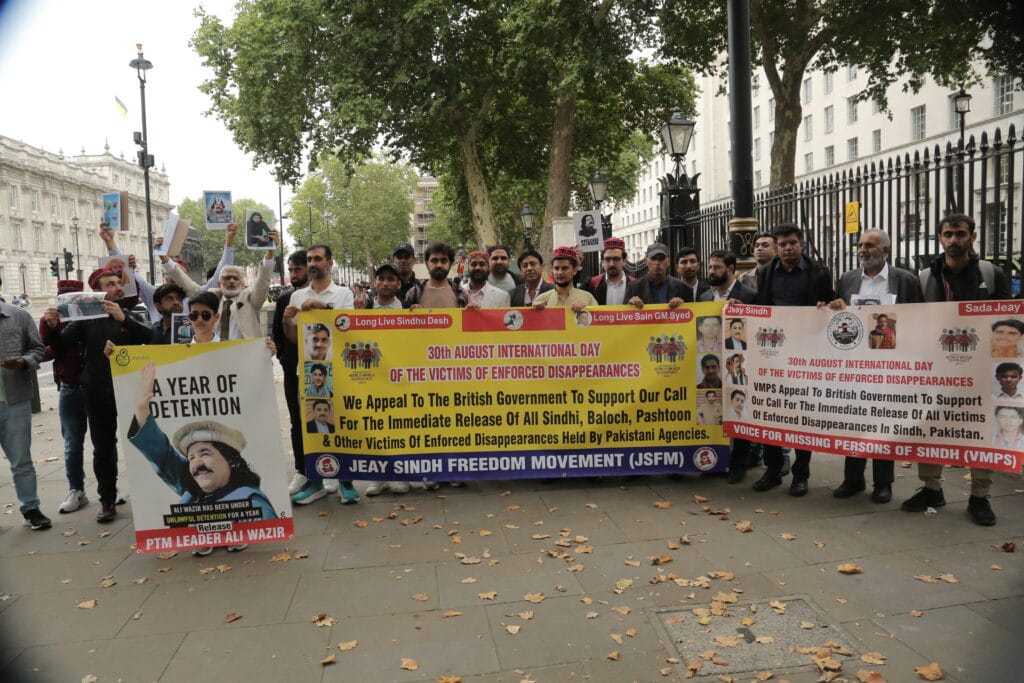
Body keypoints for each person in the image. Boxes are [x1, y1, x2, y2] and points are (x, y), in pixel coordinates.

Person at [904, 213, 1010, 526]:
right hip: (937, 370)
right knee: (931, 425)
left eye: (960, 234)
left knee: (980, 428)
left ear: (972, 237)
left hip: (980, 371)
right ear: (940, 238)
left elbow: (1006, 319)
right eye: (948, 234)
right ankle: (931, 488)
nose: (954, 240)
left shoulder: (991, 274)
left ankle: (980, 496)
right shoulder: (924, 277)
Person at [43, 268, 153, 523]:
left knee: (143, 442)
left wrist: (124, 320)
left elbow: (152, 338)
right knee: (103, 448)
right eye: (110, 284)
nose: (117, 287)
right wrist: (52, 329)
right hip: (98, 390)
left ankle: (151, 496)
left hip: (131, 390)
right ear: (98, 291)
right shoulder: (86, 319)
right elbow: (60, 346)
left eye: (118, 283)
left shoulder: (131, 313)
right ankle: (107, 500)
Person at [128, 365, 276, 524]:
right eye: (191, 457)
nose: (197, 463)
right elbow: (162, 455)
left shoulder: (253, 504)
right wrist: (142, 410)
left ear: (230, 459)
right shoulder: (192, 490)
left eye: (205, 453)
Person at [752, 223, 835, 497]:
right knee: (771, 413)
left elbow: (830, 307)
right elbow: (761, 307)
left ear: (802, 244)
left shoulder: (819, 273)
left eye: (793, 243)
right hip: (772, 356)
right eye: (783, 243)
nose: (788, 248)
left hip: (805, 357)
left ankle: (801, 474)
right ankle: (773, 470)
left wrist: (828, 307)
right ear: (777, 247)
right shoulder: (765, 273)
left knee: (803, 417)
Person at [283, 244, 357, 504]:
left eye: (317, 259)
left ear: (330, 263)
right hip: (310, 372)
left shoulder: (343, 293)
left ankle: (345, 481)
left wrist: (321, 308)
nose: (313, 263)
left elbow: (347, 328)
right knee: (314, 426)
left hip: (338, 372)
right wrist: (285, 319)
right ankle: (315, 482)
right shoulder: (297, 296)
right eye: (310, 259)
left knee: (341, 425)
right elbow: (293, 338)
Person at [106, 223, 236, 324]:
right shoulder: (153, 295)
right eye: (169, 274)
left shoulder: (199, 295)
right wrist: (109, 241)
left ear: (186, 277)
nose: (173, 277)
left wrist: (229, 241)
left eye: (177, 274)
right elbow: (129, 274)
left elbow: (223, 272)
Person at [166, 224, 276, 340]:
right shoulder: (211, 297)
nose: (231, 281)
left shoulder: (250, 298)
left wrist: (270, 253)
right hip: (215, 354)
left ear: (242, 283)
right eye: (227, 278)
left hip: (244, 355)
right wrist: (165, 259)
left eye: (236, 278)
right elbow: (187, 284)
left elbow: (263, 283)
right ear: (219, 284)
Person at [0, 295, 51, 530]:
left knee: (21, 460)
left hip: (14, 400)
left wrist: (22, 361)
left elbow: (38, 349)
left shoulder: (18, 316)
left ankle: (31, 508)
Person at [271, 250, 312, 504]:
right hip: (293, 369)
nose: (293, 274)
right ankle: (301, 470)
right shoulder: (284, 299)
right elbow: (277, 332)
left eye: (297, 269)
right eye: (290, 270)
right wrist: (286, 359)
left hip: (321, 369)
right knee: (297, 420)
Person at [406, 242, 469, 309]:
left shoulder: (462, 293)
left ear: (450, 264)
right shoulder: (414, 293)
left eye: (443, 261)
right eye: (434, 261)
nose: (439, 265)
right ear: (427, 264)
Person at [533, 247, 598, 311]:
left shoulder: (587, 298)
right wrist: (534, 312)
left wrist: (587, 310)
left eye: (565, 268)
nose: (560, 273)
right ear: (552, 271)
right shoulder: (541, 300)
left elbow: (598, 320)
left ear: (575, 270)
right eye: (556, 268)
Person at [585, 237, 633, 306]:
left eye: (616, 259)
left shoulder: (636, 285)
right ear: (602, 262)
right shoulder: (591, 284)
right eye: (607, 259)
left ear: (624, 261)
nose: (612, 264)